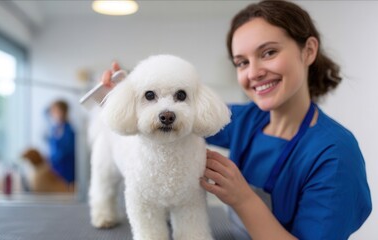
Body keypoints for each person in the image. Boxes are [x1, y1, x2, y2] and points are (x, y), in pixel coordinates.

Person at [100, 1, 372, 239]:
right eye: (242, 62)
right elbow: (172, 119)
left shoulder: (336, 156)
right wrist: (128, 93)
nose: (254, 72)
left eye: (268, 52)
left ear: (308, 51)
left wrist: (243, 199)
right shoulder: (247, 119)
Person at [46, 99, 76, 186]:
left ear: (63, 112)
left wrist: (53, 158)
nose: (54, 114)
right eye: (53, 112)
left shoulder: (69, 130)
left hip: (67, 169)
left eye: (56, 111)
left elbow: (68, 149)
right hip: (55, 170)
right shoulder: (54, 129)